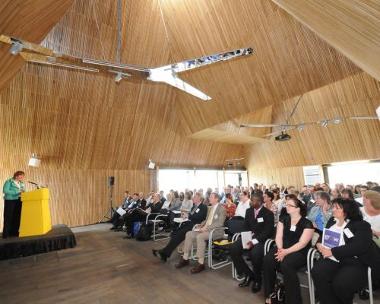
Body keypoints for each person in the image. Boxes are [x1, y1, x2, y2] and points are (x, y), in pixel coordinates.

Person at [311, 198, 380, 304]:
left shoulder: (361, 225)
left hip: (354, 261)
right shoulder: (331, 221)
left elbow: (359, 246)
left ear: (347, 210)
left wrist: (333, 251)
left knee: (341, 283)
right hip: (332, 258)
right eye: (333, 207)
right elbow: (324, 236)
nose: (333, 209)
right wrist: (319, 244)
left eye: (337, 208)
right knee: (317, 272)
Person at [263, 197, 314, 304]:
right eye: (286, 204)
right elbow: (278, 236)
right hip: (282, 247)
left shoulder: (307, 223)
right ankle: (270, 293)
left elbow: (302, 243)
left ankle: (294, 300)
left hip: (299, 251)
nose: (287, 207)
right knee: (268, 259)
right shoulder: (284, 219)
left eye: (290, 205)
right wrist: (281, 249)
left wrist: (286, 252)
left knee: (286, 264)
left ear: (298, 208)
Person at [230, 193, 274, 293]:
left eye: (253, 200)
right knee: (233, 248)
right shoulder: (249, 211)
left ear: (260, 202)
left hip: (261, 240)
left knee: (255, 254)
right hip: (249, 237)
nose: (251, 202)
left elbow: (268, 232)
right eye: (252, 200)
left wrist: (253, 241)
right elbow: (245, 226)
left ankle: (258, 280)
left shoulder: (268, 213)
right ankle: (249, 275)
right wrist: (246, 237)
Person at [175, 192, 226, 274]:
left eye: (211, 197)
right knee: (189, 234)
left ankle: (201, 263)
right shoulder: (210, 208)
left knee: (200, 237)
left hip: (216, 231)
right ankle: (185, 258)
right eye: (209, 197)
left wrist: (206, 228)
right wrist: (201, 225)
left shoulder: (222, 209)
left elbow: (220, 223)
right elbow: (206, 220)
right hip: (206, 229)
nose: (209, 198)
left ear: (216, 199)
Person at [152, 192, 207, 262]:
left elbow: (201, 217)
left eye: (195, 197)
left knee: (178, 234)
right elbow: (191, 215)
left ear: (199, 198)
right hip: (188, 223)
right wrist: (185, 215)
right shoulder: (194, 206)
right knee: (175, 233)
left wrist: (188, 216)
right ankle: (165, 253)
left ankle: (164, 253)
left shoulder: (203, 207)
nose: (193, 198)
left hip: (195, 226)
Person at [2, 171, 26, 238]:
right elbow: (5, 191)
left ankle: (14, 232)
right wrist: (17, 191)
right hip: (10, 201)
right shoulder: (9, 181)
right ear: (16, 176)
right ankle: (6, 234)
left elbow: (23, 191)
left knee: (17, 217)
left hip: (19, 200)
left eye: (23, 176)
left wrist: (24, 192)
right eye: (21, 176)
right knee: (8, 217)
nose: (22, 177)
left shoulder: (21, 183)